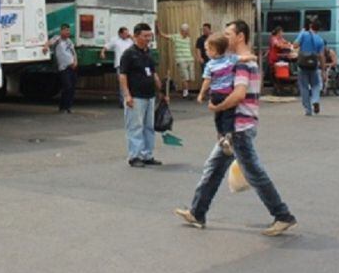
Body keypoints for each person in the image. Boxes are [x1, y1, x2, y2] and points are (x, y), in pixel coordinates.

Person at [174, 20, 297, 236]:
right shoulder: (242, 61)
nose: (225, 38)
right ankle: (197, 212)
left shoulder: (242, 64)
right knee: (213, 168)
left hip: (239, 127)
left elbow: (239, 94)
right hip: (237, 126)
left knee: (254, 173)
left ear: (240, 36)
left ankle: (282, 215)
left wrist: (217, 107)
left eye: (229, 34)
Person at [118, 23, 165, 167]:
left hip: (150, 96)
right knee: (135, 127)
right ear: (136, 36)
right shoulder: (129, 54)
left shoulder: (148, 53)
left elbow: (153, 73)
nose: (148, 39)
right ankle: (135, 156)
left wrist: (162, 90)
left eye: (150, 36)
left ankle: (147, 155)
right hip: (136, 96)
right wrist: (127, 95)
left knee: (149, 127)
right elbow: (122, 75)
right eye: (145, 36)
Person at [197, 34, 239, 156]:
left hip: (215, 95)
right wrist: (251, 57)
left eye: (207, 50)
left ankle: (220, 135)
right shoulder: (230, 59)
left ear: (214, 51)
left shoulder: (209, 65)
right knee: (229, 116)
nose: (206, 52)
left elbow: (207, 81)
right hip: (228, 93)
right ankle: (228, 136)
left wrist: (201, 94)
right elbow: (243, 58)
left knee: (218, 116)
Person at [293, 19, 325, 115]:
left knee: (304, 87)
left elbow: (295, 45)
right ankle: (315, 100)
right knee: (315, 85)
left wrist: (301, 33)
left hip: (302, 65)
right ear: (319, 29)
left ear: (311, 26)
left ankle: (308, 109)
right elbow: (321, 56)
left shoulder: (304, 34)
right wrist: (323, 70)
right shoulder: (320, 40)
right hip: (313, 65)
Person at [46, 24, 77, 113]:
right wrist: (45, 47)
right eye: (66, 30)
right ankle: (62, 107)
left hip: (72, 67)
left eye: (68, 31)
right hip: (63, 67)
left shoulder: (69, 41)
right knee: (67, 86)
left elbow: (73, 52)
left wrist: (75, 61)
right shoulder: (57, 39)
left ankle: (68, 107)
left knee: (72, 88)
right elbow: (49, 43)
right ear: (61, 31)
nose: (68, 32)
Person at [158, 23, 195, 98]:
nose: (187, 32)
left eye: (188, 30)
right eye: (186, 30)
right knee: (185, 77)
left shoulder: (188, 38)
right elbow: (163, 35)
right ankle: (186, 93)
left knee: (191, 78)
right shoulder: (176, 37)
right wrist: (158, 28)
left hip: (190, 59)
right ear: (182, 31)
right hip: (181, 60)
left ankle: (186, 91)